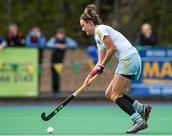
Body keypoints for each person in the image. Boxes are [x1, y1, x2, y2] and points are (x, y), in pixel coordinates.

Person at [80, 4, 152, 134]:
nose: (82, 29)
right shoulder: (97, 37)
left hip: (128, 59)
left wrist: (102, 66)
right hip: (129, 59)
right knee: (109, 93)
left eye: (83, 26)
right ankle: (142, 109)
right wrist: (89, 77)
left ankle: (139, 121)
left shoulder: (100, 29)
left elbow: (112, 48)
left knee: (115, 95)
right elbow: (100, 62)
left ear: (90, 22)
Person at [47, 28, 78, 94]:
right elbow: (48, 44)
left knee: (58, 75)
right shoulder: (54, 39)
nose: (60, 36)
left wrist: (65, 46)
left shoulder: (66, 39)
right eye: (59, 34)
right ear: (57, 34)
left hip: (61, 61)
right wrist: (56, 45)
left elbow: (74, 44)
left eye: (62, 34)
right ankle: (54, 91)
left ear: (64, 35)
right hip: (53, 60)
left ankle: (57, 91)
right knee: (54, 76)